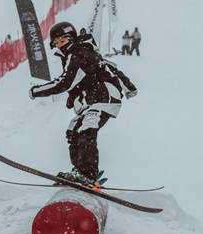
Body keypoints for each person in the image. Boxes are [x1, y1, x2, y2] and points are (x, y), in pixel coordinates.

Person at [29, 22, 138, 189]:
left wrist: (36, 91)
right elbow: (102, 69)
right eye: (56, 43)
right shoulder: (78, 53)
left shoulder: (79, 52)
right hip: (94, 99)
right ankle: (80, 170)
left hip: (104, 96)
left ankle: (87, 172)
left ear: (71, 39)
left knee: (88, 126)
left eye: (62, 41)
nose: (59, 46)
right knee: (73, 129)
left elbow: (65, 82)